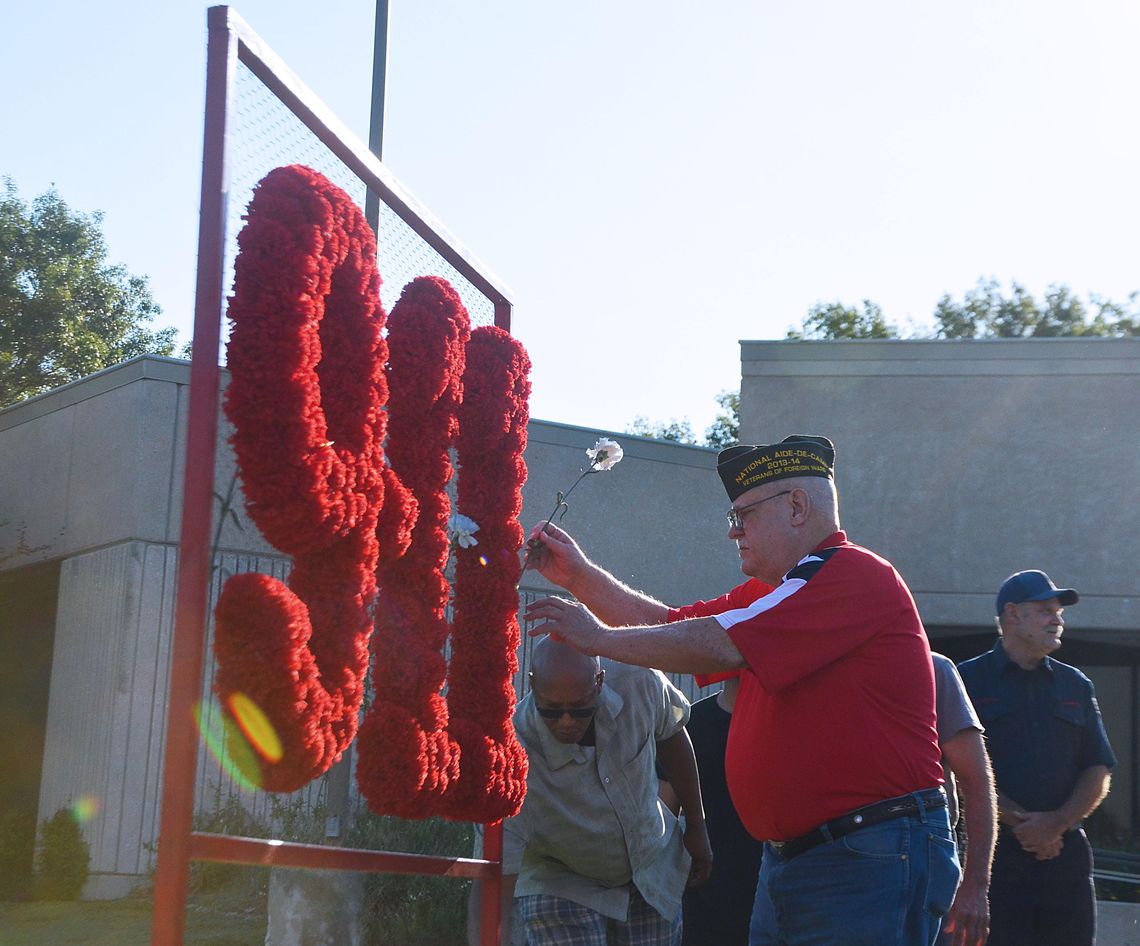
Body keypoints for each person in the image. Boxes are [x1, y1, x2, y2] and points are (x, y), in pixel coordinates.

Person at [524, 434, 960, 946]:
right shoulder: (778, 591)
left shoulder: (853, 576)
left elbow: (714, 644)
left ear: (797, 506)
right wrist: (577, 576)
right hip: (808, 857)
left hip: (866, 853)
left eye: (743, 516)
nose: (734, 534)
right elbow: (669, 625)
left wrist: (596, 638)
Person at [469, 635, 712, 946]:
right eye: (553, 710)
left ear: (599, 682)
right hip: (561, 878)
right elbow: (493, 881)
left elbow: (671, 733)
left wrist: (697, 824)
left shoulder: (639, 681)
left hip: (649, 866)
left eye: (580, 708)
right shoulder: (512, 758)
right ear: (531, 685)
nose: (567, 722)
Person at [957, 570, 1115, 946]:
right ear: (1013, 614)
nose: (1057, 619)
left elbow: (1099, 766)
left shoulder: (1075, 683)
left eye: (1059, 611)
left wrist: (1057, 823)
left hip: (1065, 858)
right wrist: (1022, 823)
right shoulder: (966, 680)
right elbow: (953, 769)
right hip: (994, 860)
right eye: (1045, 610)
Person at [659, 676, 763, 946]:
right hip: (706, 898)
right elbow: (662, 817)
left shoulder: (787, 727)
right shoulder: (690, 728)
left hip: (775, 893)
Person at [930, 652, 996, 946]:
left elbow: (976, 779)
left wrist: (975, 885)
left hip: (931, 861)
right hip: (826, 863)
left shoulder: (933, 669)